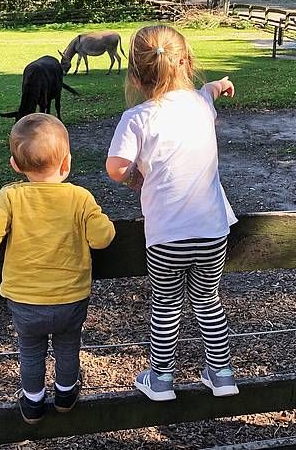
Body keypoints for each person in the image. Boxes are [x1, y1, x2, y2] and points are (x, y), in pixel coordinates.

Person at [105, 25, 239, 402]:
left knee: (166, 306)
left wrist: (135, 178)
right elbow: (206, 91)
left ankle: (161, 380)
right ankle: (223, 373)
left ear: (136, 72)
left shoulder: (137, 118)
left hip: (167, 235)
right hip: (212, 230)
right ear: (185, 62)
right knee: (207, 300)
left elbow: (115, 167)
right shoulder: (200, 103)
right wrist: (219, 85)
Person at [0, 113, 115, 424]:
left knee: (31, 350)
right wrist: (100, 219)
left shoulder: (10, 197)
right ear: (67, 163)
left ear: (16, 165)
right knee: (67, 345)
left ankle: (33, 402)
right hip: (70, 298)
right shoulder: (80, 198)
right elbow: (102, 239)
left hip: (25, 300)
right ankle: (65, 394)